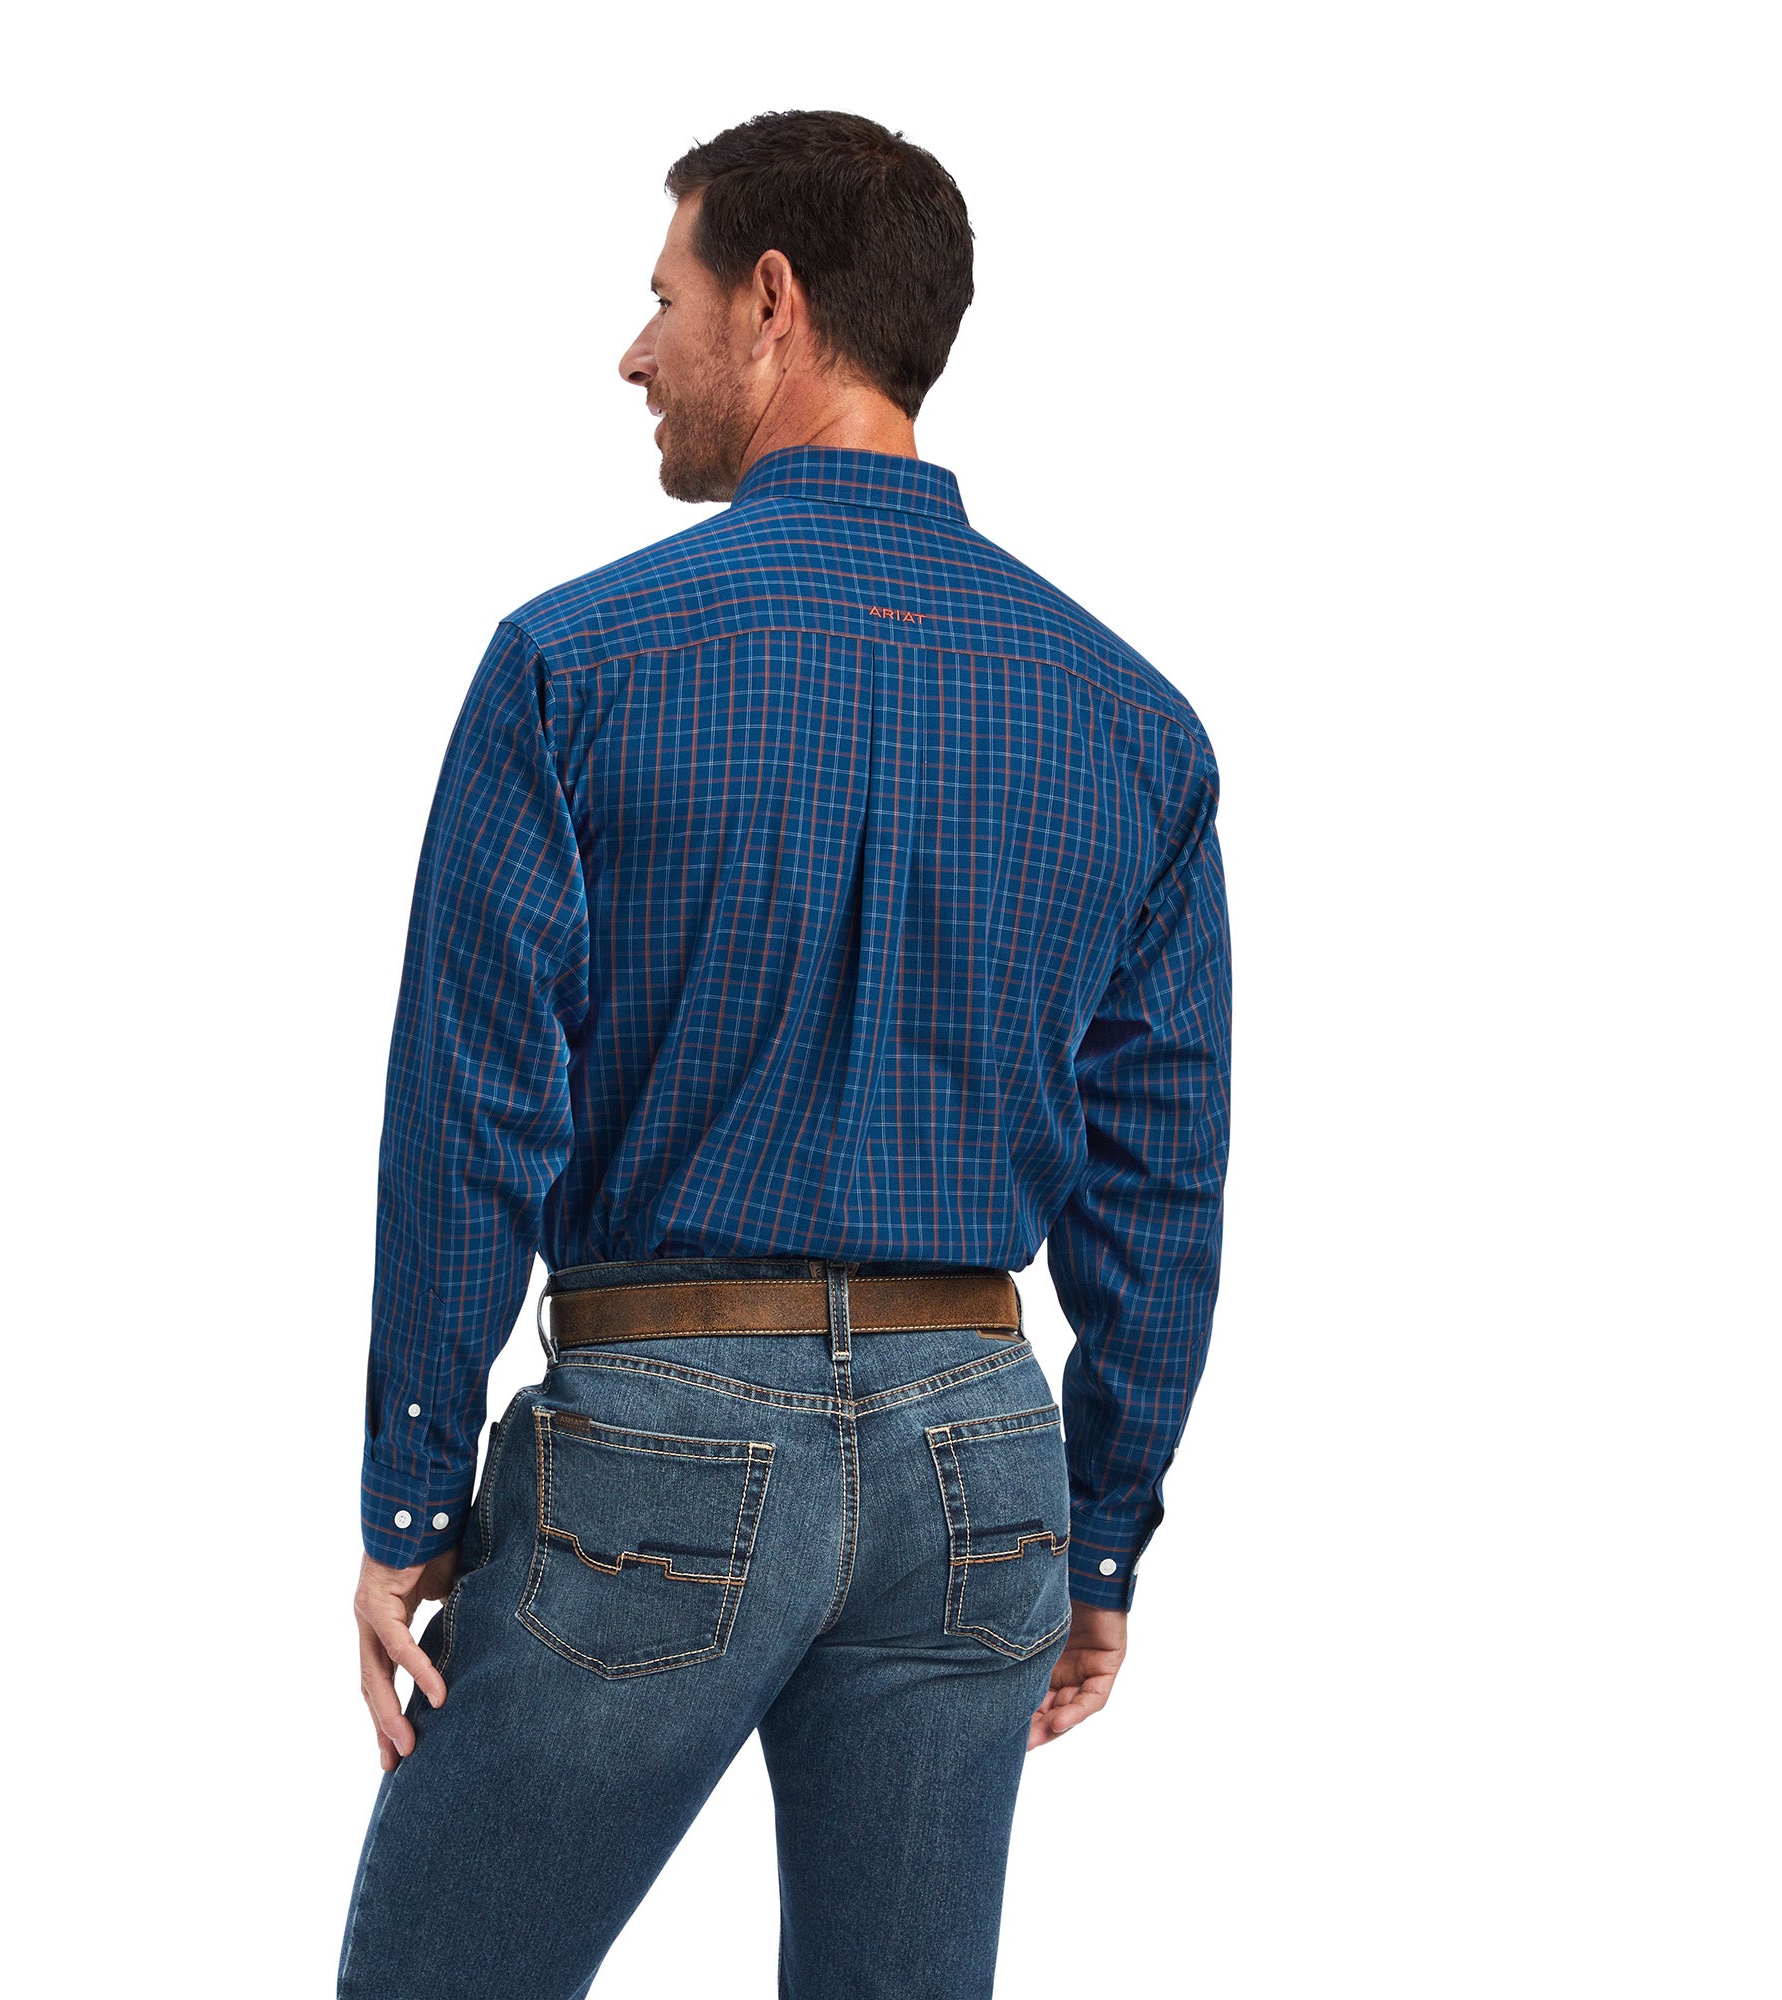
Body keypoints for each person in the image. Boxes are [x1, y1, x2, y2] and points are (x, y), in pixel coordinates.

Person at [338, 109, 1230, 2000]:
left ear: (771, 302)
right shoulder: (1133, 721)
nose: (632, 352)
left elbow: (473, 1112)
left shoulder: (576, 665)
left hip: (663, 1444)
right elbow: (1160, 1169)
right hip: (980, 1466)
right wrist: (1103, 1528)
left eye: (661, 299)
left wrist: (410, 1496)